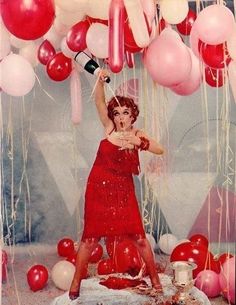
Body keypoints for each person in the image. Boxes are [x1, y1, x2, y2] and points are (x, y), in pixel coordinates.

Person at [69, 69, 164, 300]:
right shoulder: (109, 128)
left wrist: (139, 142)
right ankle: (75, 282)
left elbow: (160, 149)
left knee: (139, 237)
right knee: (90, 238)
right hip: (98, 189)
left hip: (123, 190)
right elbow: (99, 101)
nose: (121, 117)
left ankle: (155, 280)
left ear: (133, 116)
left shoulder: (137, 133)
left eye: (126, 113)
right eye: (117, 112)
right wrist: (99, 81)